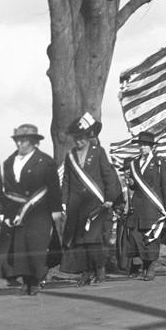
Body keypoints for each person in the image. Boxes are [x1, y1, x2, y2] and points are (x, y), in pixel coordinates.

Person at [0, 124, 64, 295]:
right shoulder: (8, 163)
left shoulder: (45, 161)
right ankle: (26, 282)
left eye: (24, 141)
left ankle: (35, 281)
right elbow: (2, 188)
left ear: (35, 142)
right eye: (18, 141)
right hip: (16, 213)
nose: (20, 144)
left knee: (36, 248)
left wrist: (56, 207)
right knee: (20, 249)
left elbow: (53, 186)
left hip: (39, 211)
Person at [59, 113, 123, 285]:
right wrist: (64, 201)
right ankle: (85, 273)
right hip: (76, 205)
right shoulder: (70, 155)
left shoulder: (98, 152)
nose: (78, 141)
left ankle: (99, 269)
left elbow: (108, 176)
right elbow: (66, 180)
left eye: (81, 138)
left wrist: (109, 198)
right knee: (79, 241)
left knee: (92, 239)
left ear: (88, 137)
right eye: (76, 139)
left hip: (96, 203)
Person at [118, 131, 166, 279]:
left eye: (145, 145)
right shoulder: (134, 163)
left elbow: (165, 185)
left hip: (152, 205)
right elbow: (134, 186)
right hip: (137, 205)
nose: (142, 147)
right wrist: (130, 182)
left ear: (151, 147)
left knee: (151, 237)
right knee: (137, 237)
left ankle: (151, 267)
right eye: (140, 145)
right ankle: (144, 264)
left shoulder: (159, 162)